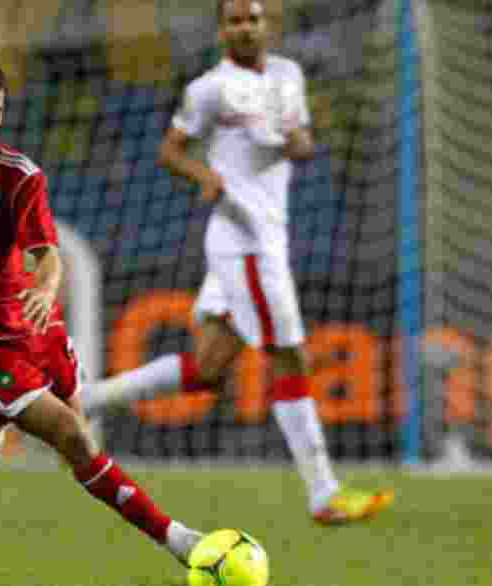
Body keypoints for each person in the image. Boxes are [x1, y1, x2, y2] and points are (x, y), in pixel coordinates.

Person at [0, 57, 208, 567]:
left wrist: (46, 291)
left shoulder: (18, 176)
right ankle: (179, 540)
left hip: (31, 323)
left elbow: (48, 256)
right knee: (74, 437)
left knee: (79, 414)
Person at [80, 0, 393, 525]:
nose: (246, 28)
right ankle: (324, 494)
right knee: (289, 356)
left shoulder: (289, 76)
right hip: (243, 240)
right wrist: (204, 177)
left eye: (254, 18)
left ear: (266, 25)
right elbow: (170, 150)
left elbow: (303, 144)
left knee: (207, 369)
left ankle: (87, 399)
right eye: (236, 20)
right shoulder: (209, 88)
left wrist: (299, 142)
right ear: (222, 30)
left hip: (268, 235)